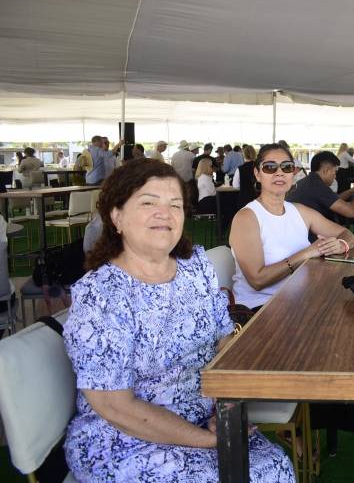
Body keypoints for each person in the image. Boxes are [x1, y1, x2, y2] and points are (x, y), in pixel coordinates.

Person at [63, 158, 295, 482]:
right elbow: (115, 407)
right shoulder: (100, 296)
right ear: (116, 216)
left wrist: (227, 403)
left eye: (175, 204)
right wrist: (209, 439)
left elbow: (222, 337)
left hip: (206, 416)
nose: (165, 213)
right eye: (148, 202)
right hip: (127, 440)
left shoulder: (194, 266)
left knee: (274, 467)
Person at [229, 143, 354, 310]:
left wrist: (341, 245)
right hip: (261, 309)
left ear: (293, 173)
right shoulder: (246, 218)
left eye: (286, 167)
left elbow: (346, 233)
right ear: (257, 174)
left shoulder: (299, 211)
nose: (279, 172)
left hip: (301, 301)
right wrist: (307, 253)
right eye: (270, 167)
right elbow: (257, 280)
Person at [286, 151, 354, 223]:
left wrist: (351, 191)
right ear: (325, 171)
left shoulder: (311, 181)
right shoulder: (317, 186)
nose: (335, 176)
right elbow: (351, 212)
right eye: (334, 172)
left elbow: (334, 199)